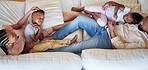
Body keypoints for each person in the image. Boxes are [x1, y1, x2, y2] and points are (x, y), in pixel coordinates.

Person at [43, 13, 147, 53]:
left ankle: (45, 53)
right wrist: (112, 24)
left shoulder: (144, 42)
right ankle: (54, 37)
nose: (143, 21)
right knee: (80, 19)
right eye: (144, 19)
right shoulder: (141, 21)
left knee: (76, 46)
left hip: (107, 41)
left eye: (145, 22)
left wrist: (111, 29)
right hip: (103, 27)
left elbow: (121, 46)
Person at [71, 1, 143, 27]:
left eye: (127, 19)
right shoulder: (127, 10)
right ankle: (80, 9)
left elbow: (117, 23)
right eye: (127, 16)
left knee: (102, 24)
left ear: (129, 22)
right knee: (87, 8)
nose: (125, 17)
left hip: (105, 16)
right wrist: (115, 13)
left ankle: (92, 14)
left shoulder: (123, 22)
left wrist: (114, 23)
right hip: (105, 9)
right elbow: (118, 5)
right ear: (130, 13)